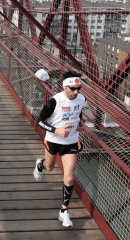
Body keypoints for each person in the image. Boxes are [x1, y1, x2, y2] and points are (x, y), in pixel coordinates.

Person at [33, 71, 86, 227]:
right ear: (64, 87)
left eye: (78, 88)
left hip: (71, 141)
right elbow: (39, 121)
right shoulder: (54, 101)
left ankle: (64, 211)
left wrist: (81, 123)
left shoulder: (81, 98)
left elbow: (78, 113)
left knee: (69, 178)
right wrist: (56, 130)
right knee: (49, 167)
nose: (76, 92)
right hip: (54, 139)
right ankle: (40, 164)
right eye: (72, 89)